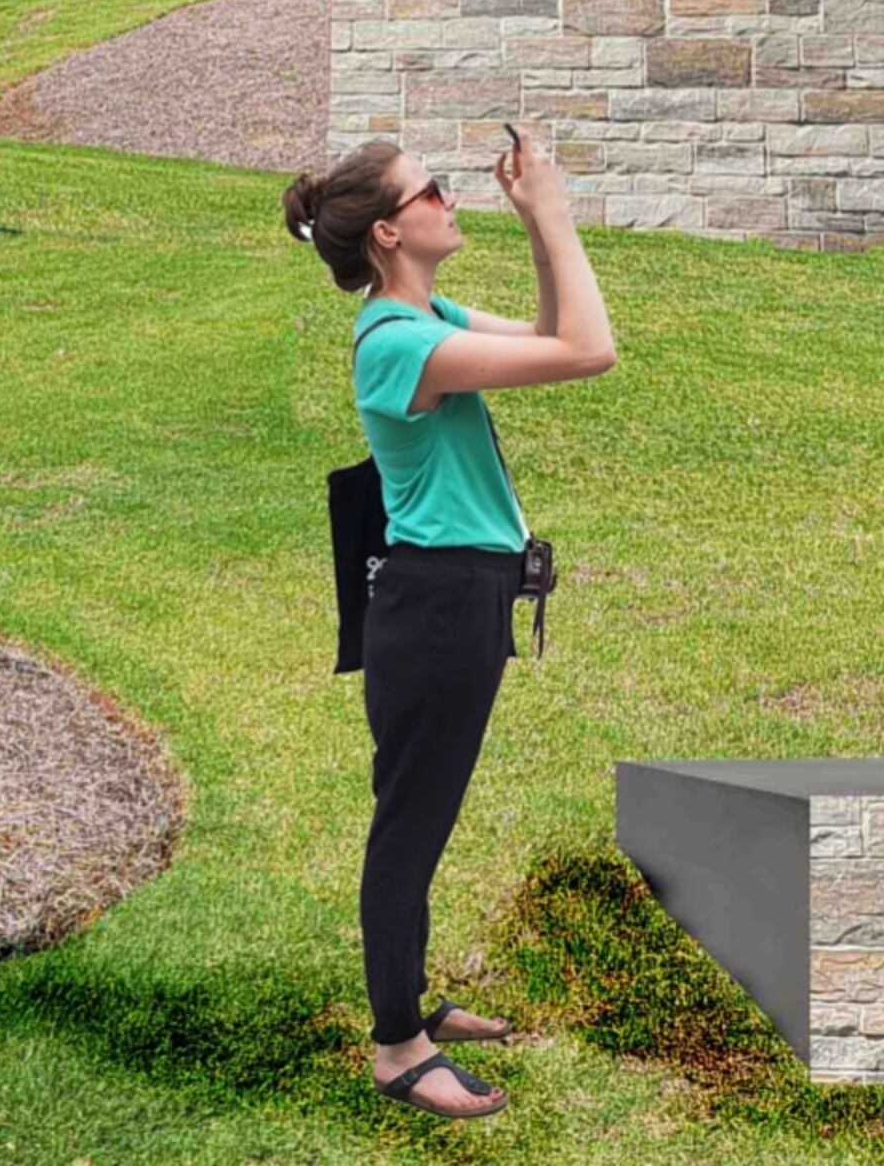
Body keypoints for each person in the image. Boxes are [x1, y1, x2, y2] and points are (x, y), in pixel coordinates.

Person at [279, 129, 616, 1122]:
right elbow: (588, 352)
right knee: (409, 828)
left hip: (459, 599)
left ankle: (412, 1004)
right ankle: (398, 1048)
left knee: (423, 818)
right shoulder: (396, 344)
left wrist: (532, 222)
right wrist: (552, 210)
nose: (448, 198)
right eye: (433, 190)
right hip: (433, 612)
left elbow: (554, 327)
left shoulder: (432, 312)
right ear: (390, 230)